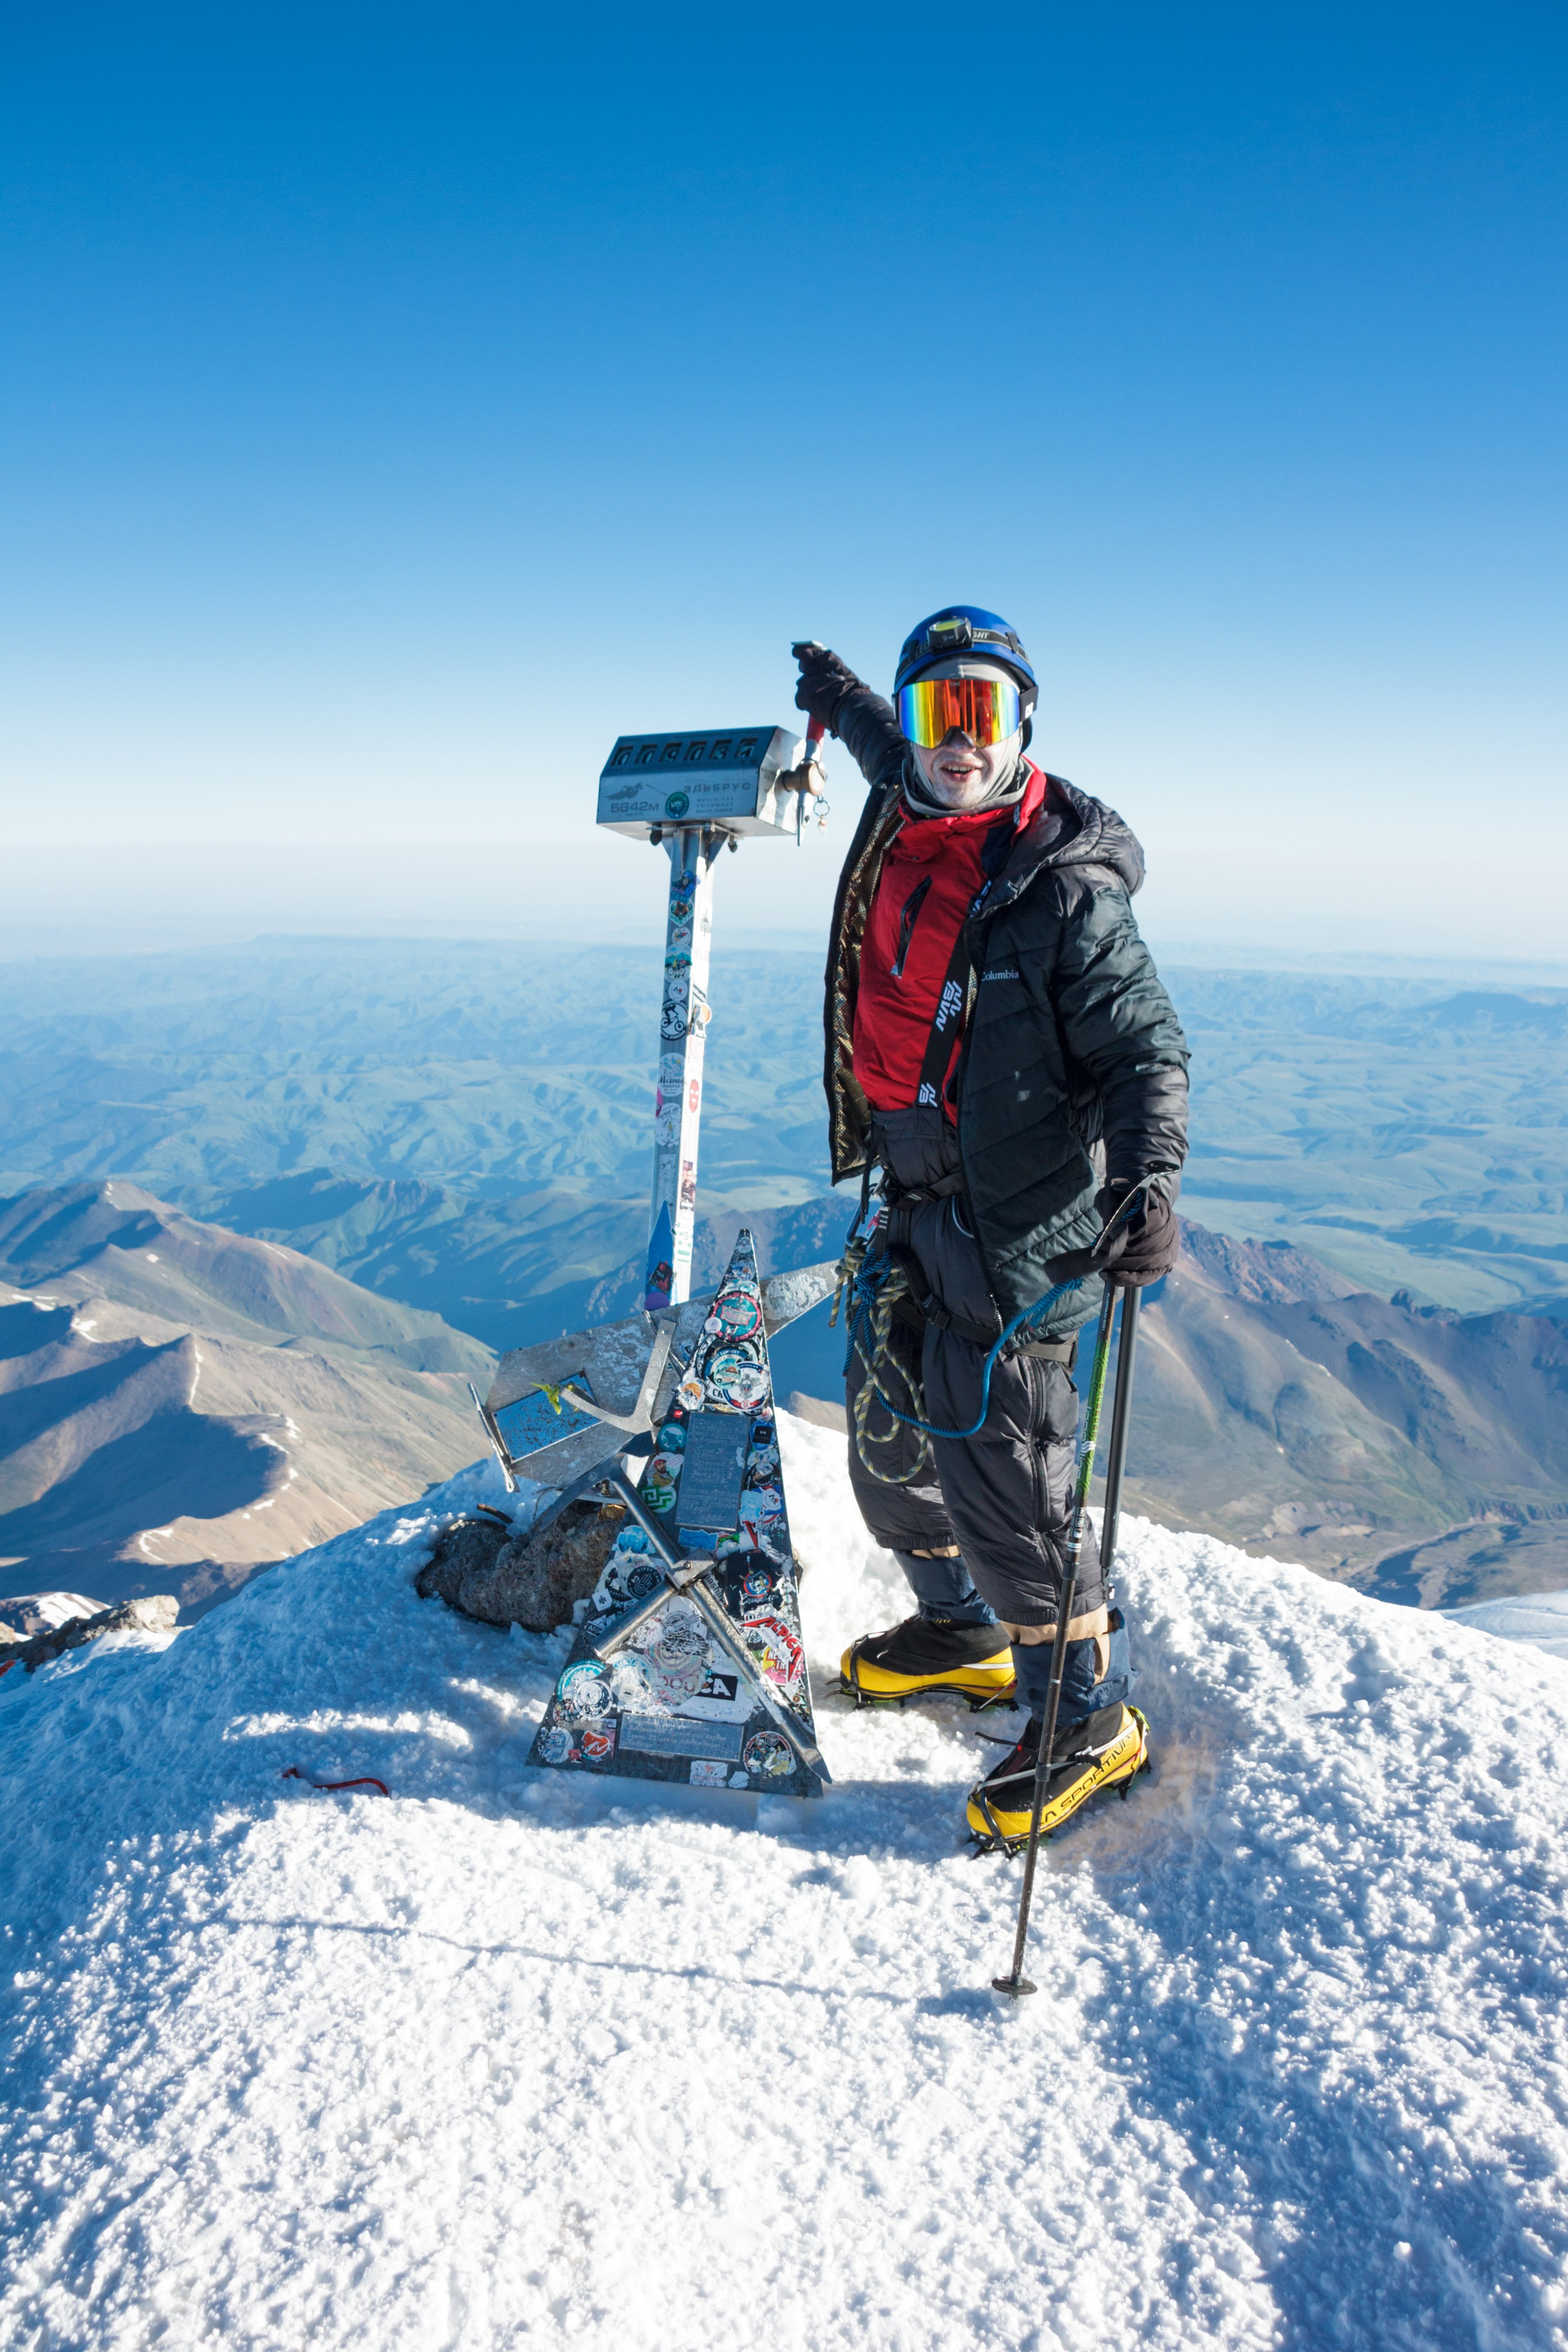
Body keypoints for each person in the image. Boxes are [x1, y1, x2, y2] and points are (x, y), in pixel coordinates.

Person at [791, 608, 1189, 1844]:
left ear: (1022, 727)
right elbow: (874, 739)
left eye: (980, 713)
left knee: (1001, 1466)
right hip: (914, 1187)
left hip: (1021, 1226)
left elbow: (1142, 1053)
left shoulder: (1062, 886)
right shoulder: (908, 800)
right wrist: (844, 692)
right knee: (888, 1431)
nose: (954, 741)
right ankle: (959, 1625)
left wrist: (1146, 1183)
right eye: (933, 713)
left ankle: (1082, 1717)